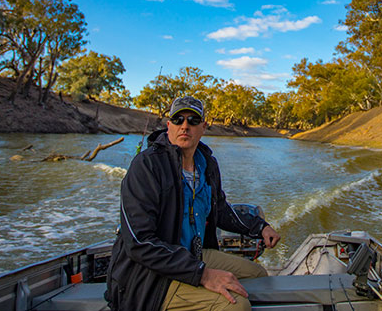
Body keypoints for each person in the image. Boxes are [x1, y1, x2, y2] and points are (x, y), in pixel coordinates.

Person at [106, 96, 280, 311]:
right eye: (178, 120)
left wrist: (260, 227)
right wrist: (203, 274)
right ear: (168, 126)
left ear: (203, 127)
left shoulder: (207, 163)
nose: (185, 126)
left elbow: (221, 210)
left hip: (192, 255)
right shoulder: (146, 166)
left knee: (257, 275)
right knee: (236, 306)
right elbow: (139, 242)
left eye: (193, 120)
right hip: (150, 274)